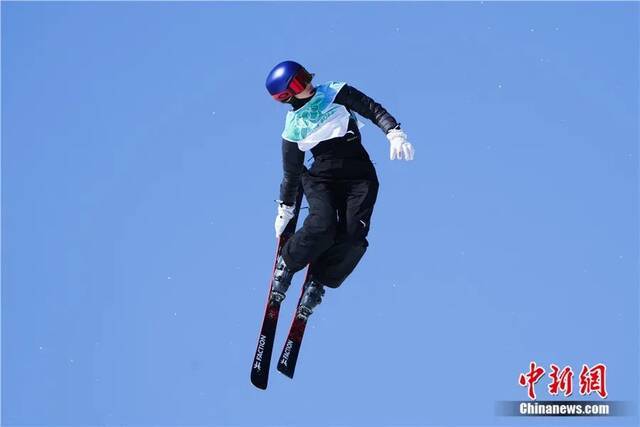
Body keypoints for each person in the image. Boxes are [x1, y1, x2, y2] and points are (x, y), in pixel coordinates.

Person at [265, 60, 414, 317]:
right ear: (286, 96)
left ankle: (319, 281)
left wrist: (394, 132)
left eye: (305, 76)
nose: (309, 84)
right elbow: (291, 173)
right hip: (322, 178)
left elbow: (370, 108)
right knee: (322, 226)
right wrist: (285, 208)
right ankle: (288, 264)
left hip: (359, 176)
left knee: (354, 237)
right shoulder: (293, 128)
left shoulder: (334, 91)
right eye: (300, 84)